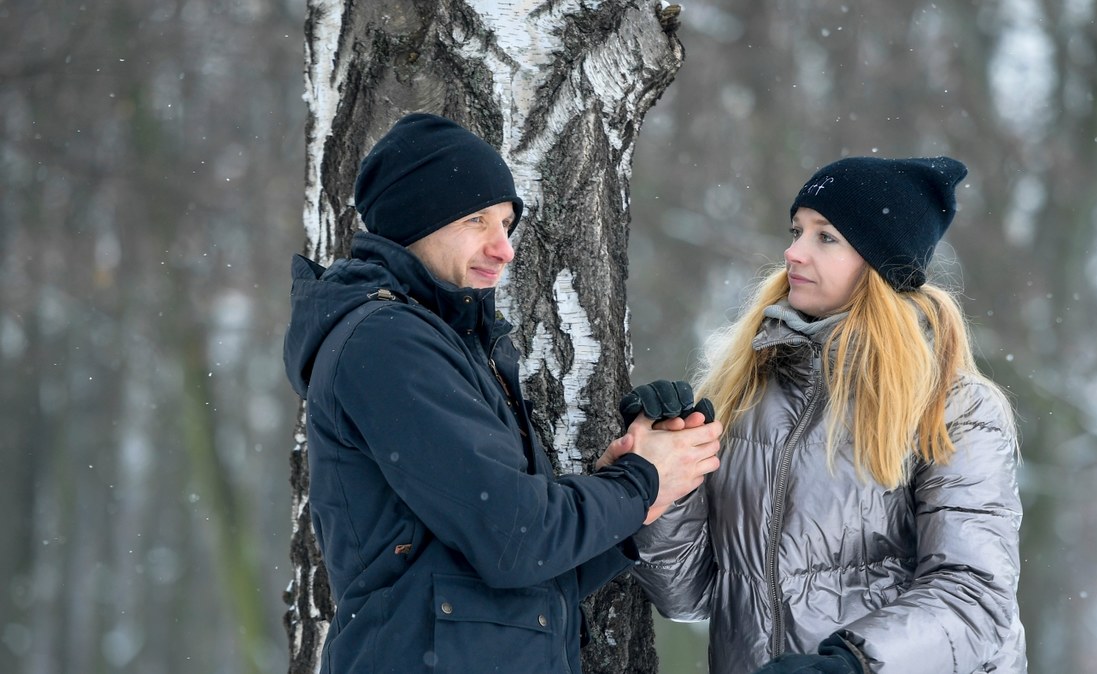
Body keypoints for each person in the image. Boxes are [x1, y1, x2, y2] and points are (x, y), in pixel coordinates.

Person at [282, 113, 722, 673]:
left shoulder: (451, 342)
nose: (504, 248)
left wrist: (639, 497)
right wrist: (638, 483)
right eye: (476, 219)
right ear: (416, 220)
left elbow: (526, 574)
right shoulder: (386, 343)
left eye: (507, 222)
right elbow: (514, 540)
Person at [621, 156, 1026, 673]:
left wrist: (855, 663)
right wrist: (664, 474)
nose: (793, 252)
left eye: (825, 236)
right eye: (796, 231)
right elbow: (688, 596)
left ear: (881, 263)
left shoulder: (952, 407)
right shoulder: (745, 391)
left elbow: (976, 599)